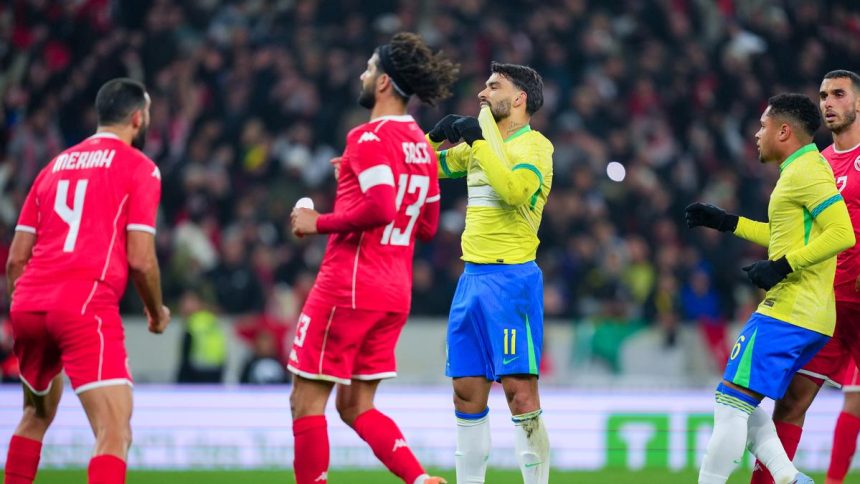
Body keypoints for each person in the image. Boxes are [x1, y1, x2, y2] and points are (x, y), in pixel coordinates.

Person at [287, 32, 457, 484]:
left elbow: (381, 205)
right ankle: (420, 480)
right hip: (394, 291)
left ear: (384, 82)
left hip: (350, 283)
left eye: (368, 68)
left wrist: (316, 221)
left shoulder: (366, 137)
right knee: (356, 405)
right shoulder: (422, 147)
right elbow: (426, 225)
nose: (363, 75)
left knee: (306, 401)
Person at [3, 78, 170, 484]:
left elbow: (15, 259)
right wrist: (155, 311)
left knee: (35, 415)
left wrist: (34, 301)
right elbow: (141, 260)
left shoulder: (52, 167)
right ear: (137, 118)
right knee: (114, 431)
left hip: (28, 303)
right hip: (83, 303)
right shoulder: (140, 167)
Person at [686, 93, 855, 484]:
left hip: (789, 309)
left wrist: (783, 266)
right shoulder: (801, 169)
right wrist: (727, 222)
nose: (756, 133)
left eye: (763, 126)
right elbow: (785, 235)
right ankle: (788, 477)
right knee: (738, 401)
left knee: (730, 406)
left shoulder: (806, 172)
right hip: (807, 314)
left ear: (784, 131)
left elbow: (841, 233)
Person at [426, 61, 553, 484]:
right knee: (465, 392)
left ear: (518, 99)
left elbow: (516, 192)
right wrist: (432, 136)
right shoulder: (481, 144)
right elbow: (424, 167)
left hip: (511, 281)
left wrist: (478, 141)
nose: (482, 93)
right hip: (471, 280)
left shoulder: (535, 146)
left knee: (519, 393)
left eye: (493, 86)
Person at [743, 70, 860, 484]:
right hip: (828, 309)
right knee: (789, 404)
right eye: (824, 95)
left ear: (858, 103)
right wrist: (730, 224)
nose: (829, 102)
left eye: (839, 94)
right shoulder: (818, 163)